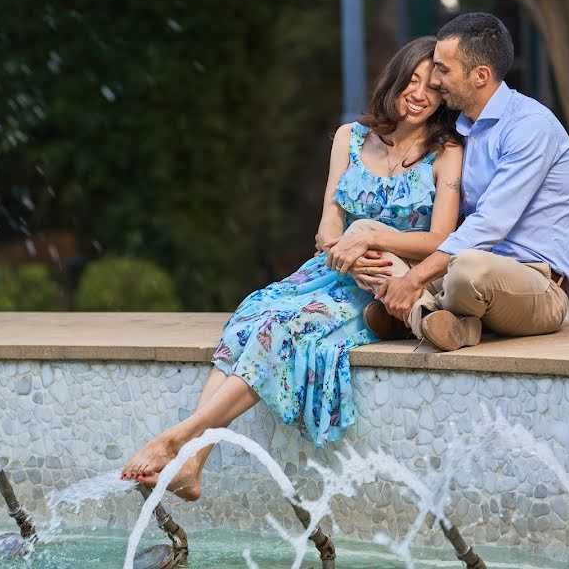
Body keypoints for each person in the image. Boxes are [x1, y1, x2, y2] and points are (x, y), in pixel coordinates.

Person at [121, 36, 463, 500]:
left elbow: (442, 240)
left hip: (388, 286)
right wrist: (350, 250)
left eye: (435, 88)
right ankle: (193, 465)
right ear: (395, 79)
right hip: (333, 271)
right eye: (413, 80)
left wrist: (371, 237)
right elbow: (327, 227)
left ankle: (183, 438)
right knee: (253, 313)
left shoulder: (447, 152)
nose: (421, 94)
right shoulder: (350, 138)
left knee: (288, 328)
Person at [371, 12, 569, 352]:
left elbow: (488, 226)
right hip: (467, 278)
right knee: (374, 242)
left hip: (537, 286)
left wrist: (412, 279)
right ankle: (435, 320)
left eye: (443, 69)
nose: (436, 81)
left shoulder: (530, 126)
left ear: (480, 75)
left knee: (467, 268)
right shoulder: (460, 129)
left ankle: (415, 314)